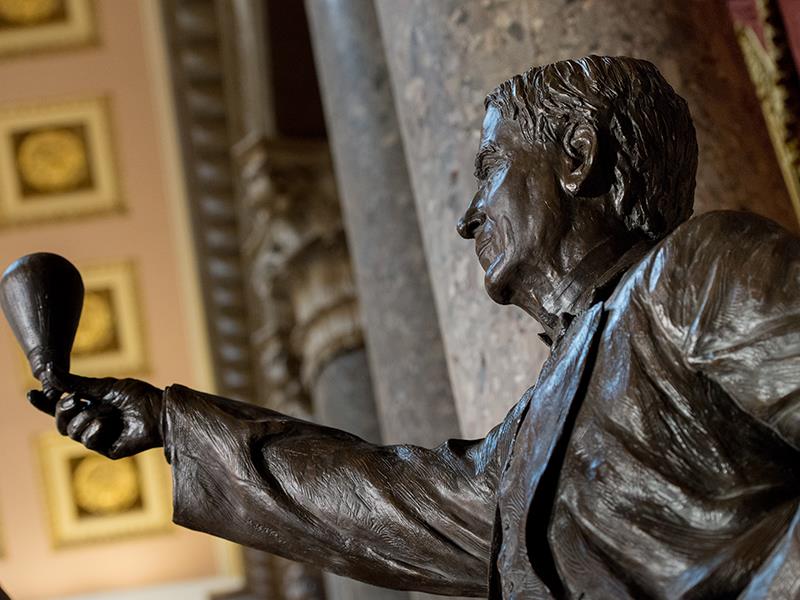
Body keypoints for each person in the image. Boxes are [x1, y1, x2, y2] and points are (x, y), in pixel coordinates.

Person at [30, 56, 800, 599]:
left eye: (491, 167)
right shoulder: (528, 439)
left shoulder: (699, 267)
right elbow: (384, 500)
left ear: (577, 155)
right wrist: (172, 422)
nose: (469, 217)